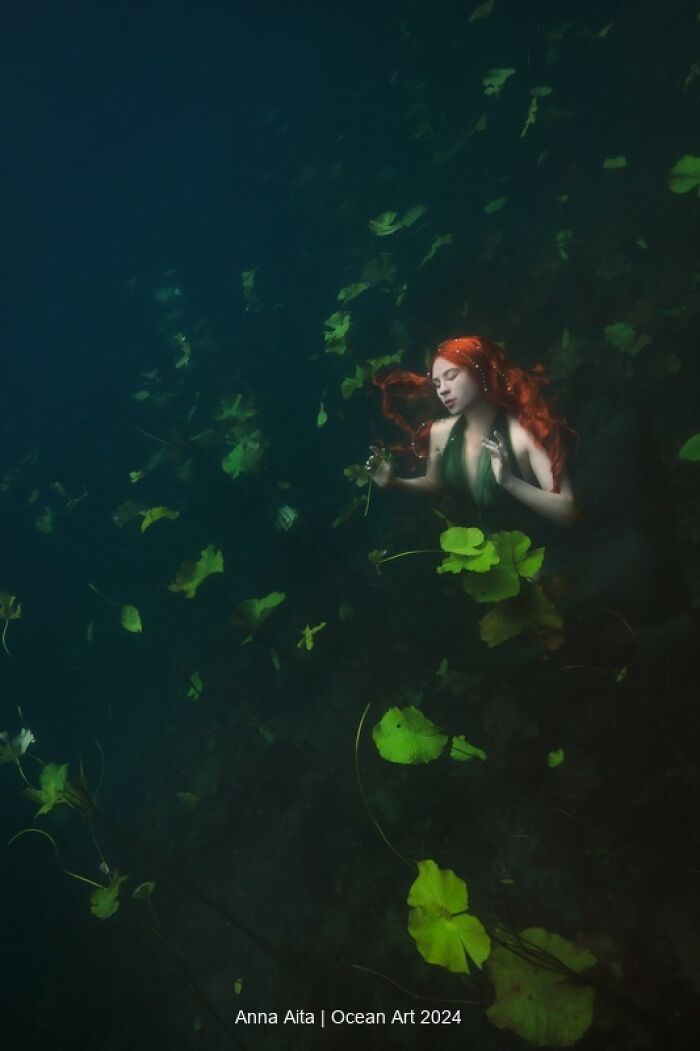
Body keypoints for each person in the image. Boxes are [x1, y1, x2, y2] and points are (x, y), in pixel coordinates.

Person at [366, 335, 578, 540]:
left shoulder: (522, 434)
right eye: (437, 384)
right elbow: (434, 484)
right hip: (470, 553)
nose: (443, 390)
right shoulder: (440, 432)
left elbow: (568, 513)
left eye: (451, 376)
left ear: (480, 372)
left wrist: (510, 482)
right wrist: (395, 482)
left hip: (528, 553)